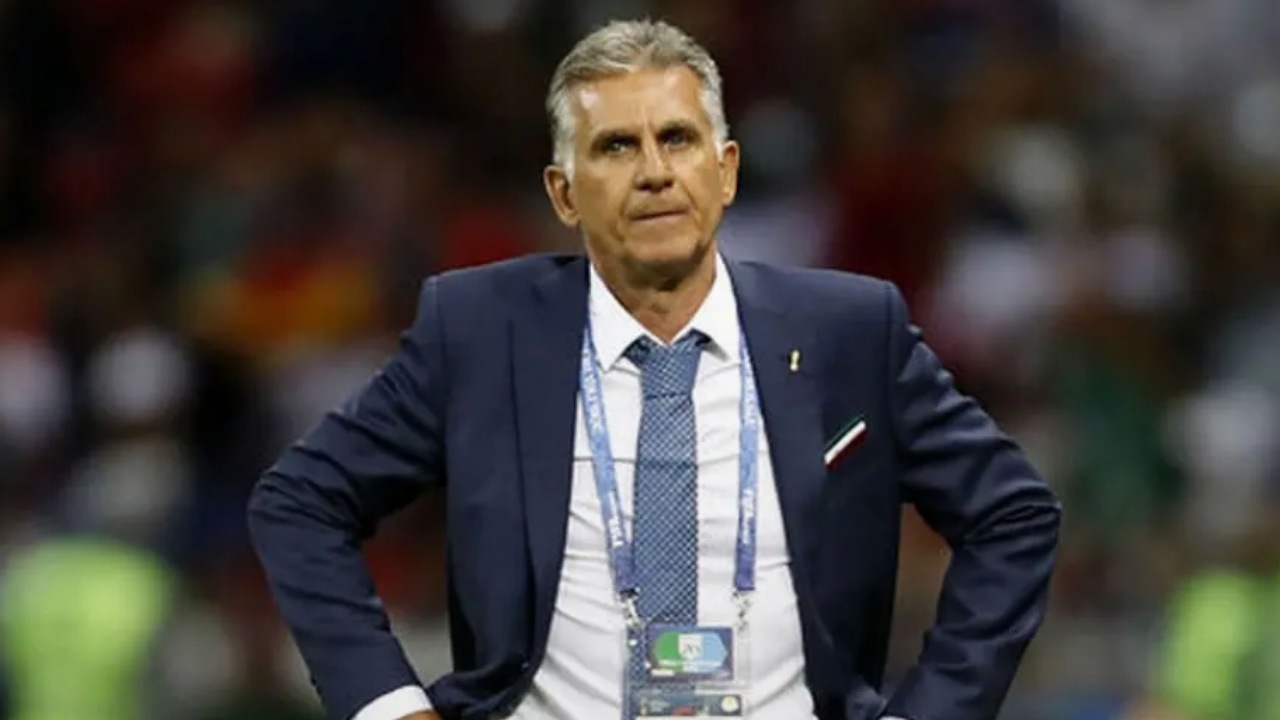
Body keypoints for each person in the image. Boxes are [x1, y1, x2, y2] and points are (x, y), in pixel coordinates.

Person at [248, 19, 1061, 720]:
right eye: (616, 146)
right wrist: (389, 704)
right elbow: (300, 501)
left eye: (678, 138)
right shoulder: (482, 333)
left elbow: (1013, 515)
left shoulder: (848, 332)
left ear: (726, 169)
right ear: (564, 194)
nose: (654, 172)